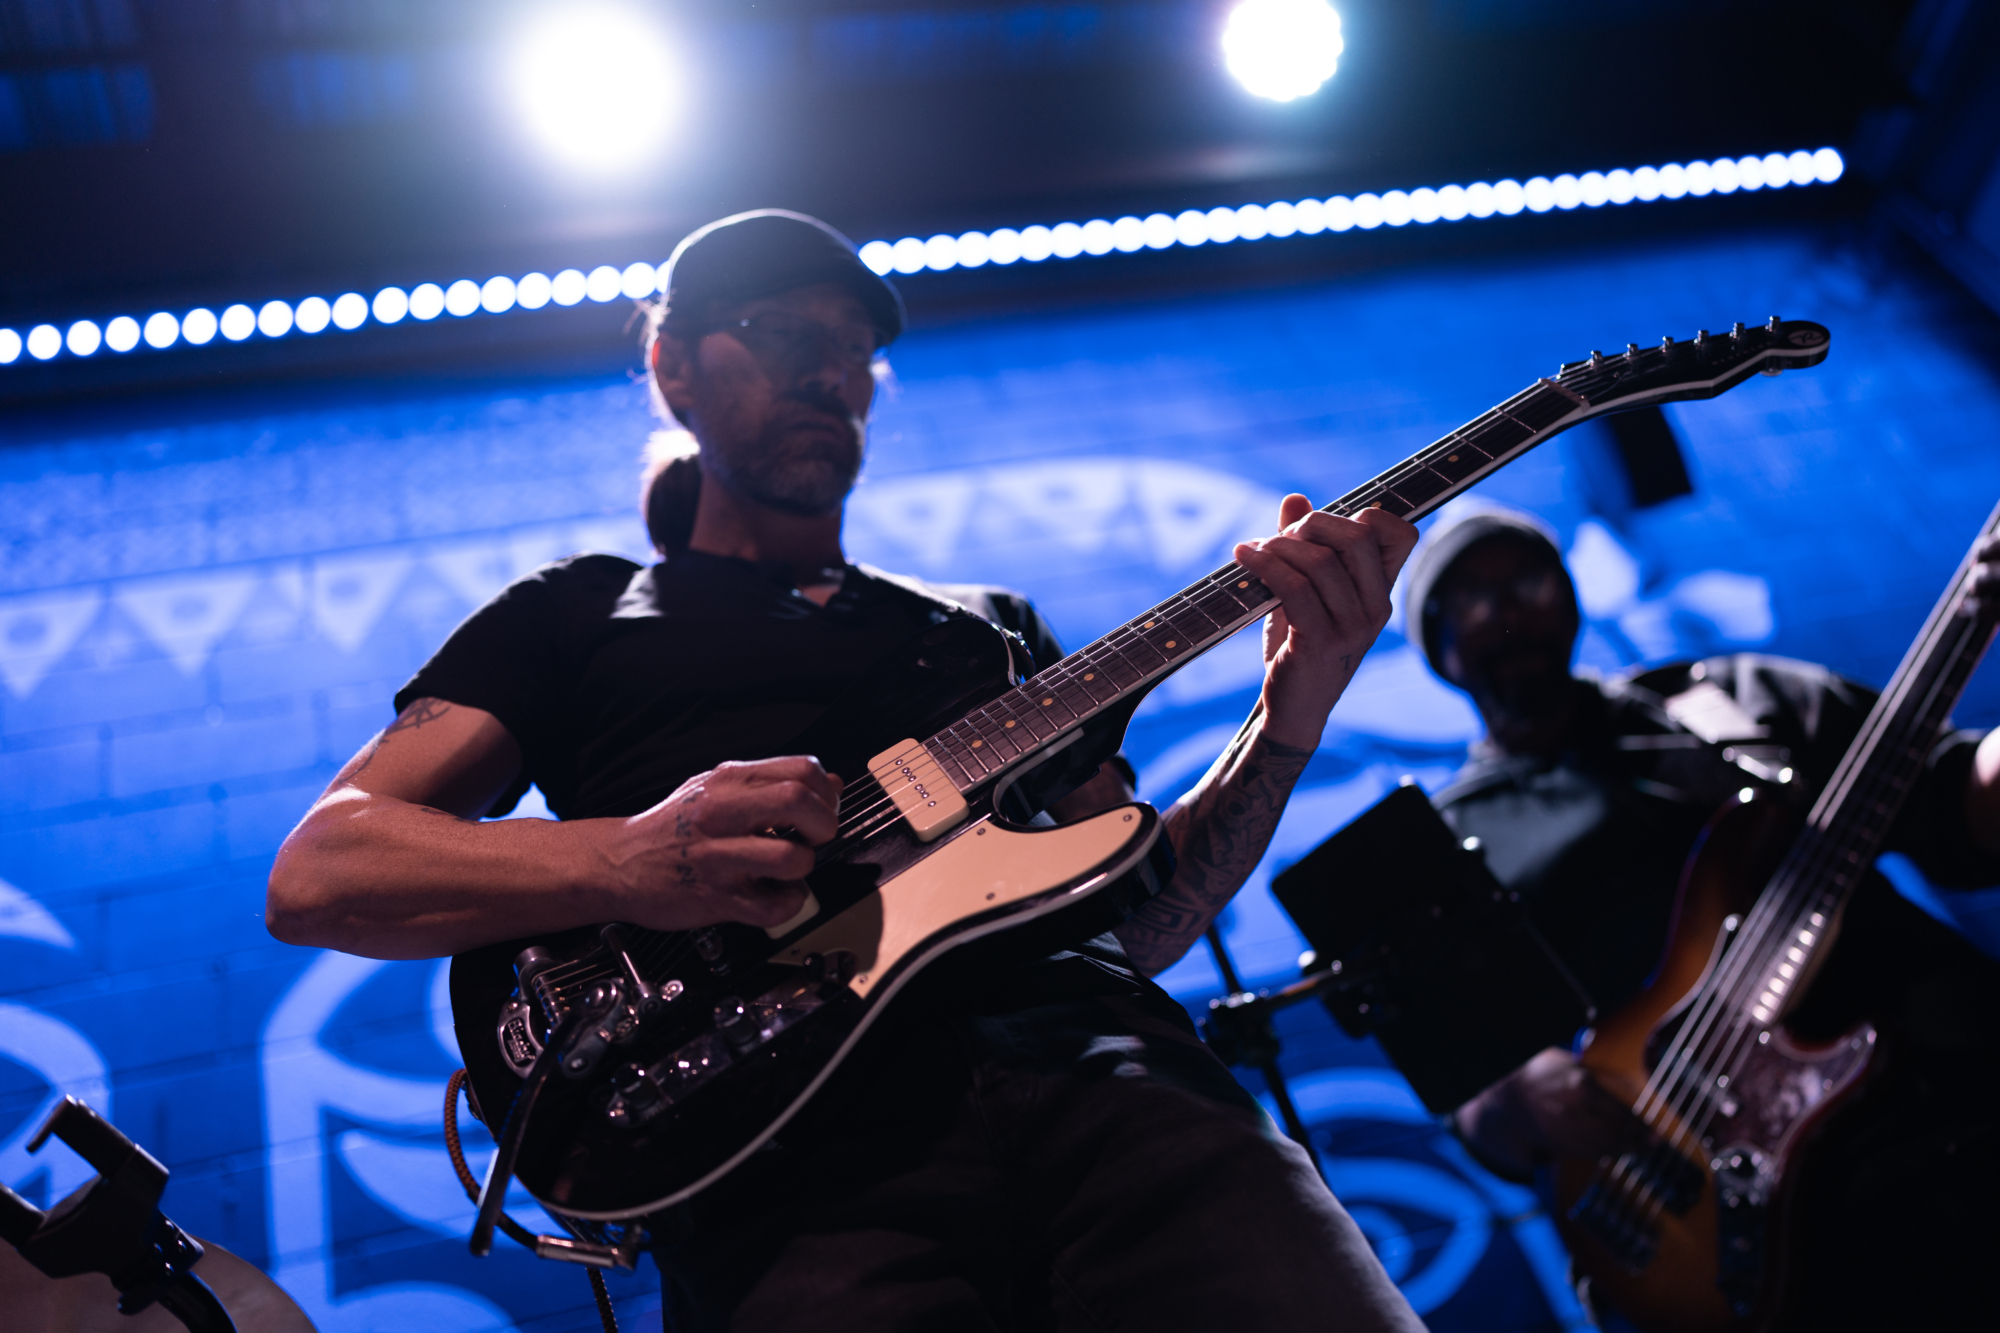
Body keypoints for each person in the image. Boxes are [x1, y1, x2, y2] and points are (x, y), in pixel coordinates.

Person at [265, 210, 1426, 1333]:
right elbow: (321, 870)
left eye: (854, 349)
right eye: (782, 333)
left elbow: (1142, 924)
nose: (829, 373)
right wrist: (627, 858)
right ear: (672, 368)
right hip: (781, 1156)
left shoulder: (987, 628)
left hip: (1119, 1085)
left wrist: (1288, 713)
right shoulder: (573, 612)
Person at [1401, 506, 2000, 1330]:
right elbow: (1475, 1092)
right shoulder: (1442, 843)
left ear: (1569, 595)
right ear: (1436, 647)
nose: (1507, 608)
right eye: (1470, 596)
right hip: (1727, 1219)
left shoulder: (1726, 698)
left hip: (1957, 1091)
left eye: (1529, 580)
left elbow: (1951, 799)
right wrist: (1519, 1097)